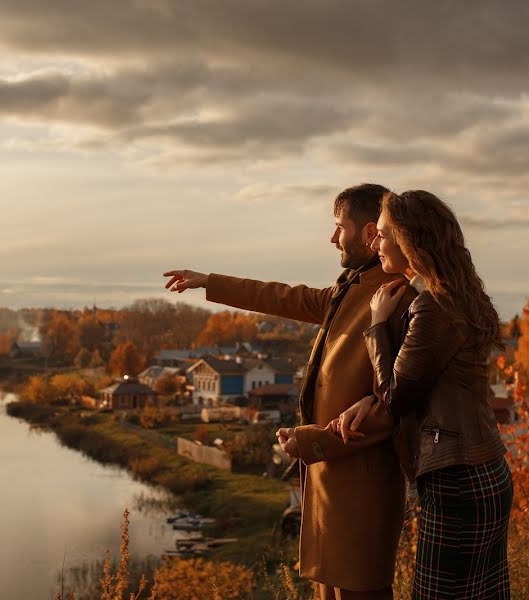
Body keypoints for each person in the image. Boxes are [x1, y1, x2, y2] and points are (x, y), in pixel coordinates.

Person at [164, 184, 414, 600]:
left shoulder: (393, 298)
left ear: (370, 233)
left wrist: (309, 440)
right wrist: (210, 281)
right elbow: (282, 296)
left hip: (359, 492)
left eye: (339, 228)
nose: (333, 238)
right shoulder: (350, 289)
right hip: (329, 486)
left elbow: (388, 408)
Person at [333, 189, 513, 599]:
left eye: (381, 235)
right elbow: (424, 380)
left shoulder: (433, 305)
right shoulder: (451, 295)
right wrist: (370, 398)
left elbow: (397, 398)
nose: (373, 243)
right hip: (482, 469)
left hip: (456, 479)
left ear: (409, 240)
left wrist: (377, 326)